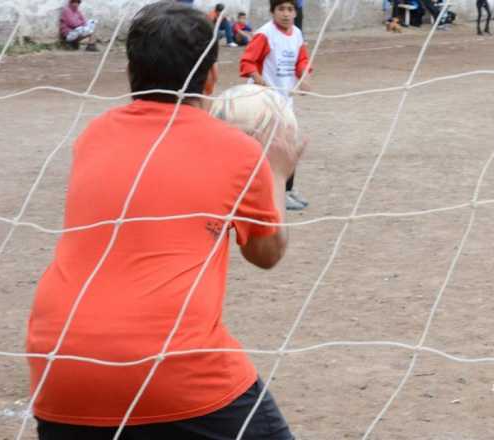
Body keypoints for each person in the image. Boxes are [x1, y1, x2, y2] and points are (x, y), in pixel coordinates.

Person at [26, 3, 296, 439]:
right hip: (176, 367)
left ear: (131, 72)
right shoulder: (237, 151)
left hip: (59, 366)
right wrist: (278, 170)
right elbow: (266, 254)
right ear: (211, 78)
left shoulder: (93, 136)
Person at [241, 0, 313, 211]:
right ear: (272, 11)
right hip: (263, 100)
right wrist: (257, 78)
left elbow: (301, 59)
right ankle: (275, 192)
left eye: (290, 9)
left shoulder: (297, 34)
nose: (286, 14)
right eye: (281, 9)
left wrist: (304, 75)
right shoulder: (265, 34)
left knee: (288, 143)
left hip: (285, 99)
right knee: (272, 145)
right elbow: (248, 61)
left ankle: (288, 190)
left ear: (295, 12)